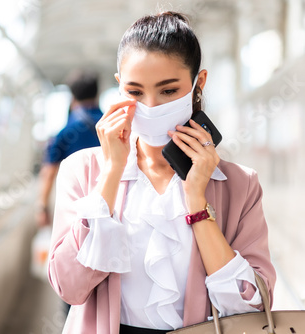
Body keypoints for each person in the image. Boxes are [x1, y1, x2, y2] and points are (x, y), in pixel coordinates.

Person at [47, 12, 276, 334]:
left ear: (199, 83)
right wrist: (111, 174)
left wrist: (197, 202)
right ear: (119, 87)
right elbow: (69, 287)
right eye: (135, 92)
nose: (151, 106)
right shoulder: (84, 170)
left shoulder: (239, 184)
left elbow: (251, 306)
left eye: (168, 91)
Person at [36, 69, 103, 227]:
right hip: (113, 202)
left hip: (76, 211)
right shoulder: (113, 125)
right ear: (97, 94)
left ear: (72, 96)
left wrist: (42, 207)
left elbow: (49, 172)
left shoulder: (65, 133)